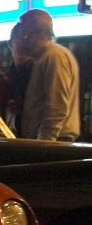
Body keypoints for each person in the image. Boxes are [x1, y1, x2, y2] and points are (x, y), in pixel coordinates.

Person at [15, 9, 80, 142]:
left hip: (53, 140)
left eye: (22, 33)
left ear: (32, 34)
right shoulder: (45, 57)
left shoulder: (54, 57)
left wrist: (44, 143)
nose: (20, 38)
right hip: (49, 139)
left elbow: (57, 107)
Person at [3, 22, 33, 135]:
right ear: (10, 44)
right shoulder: (8, 76)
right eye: (21, 39)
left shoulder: (38, 72)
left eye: (28, 40)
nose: (25, 44)